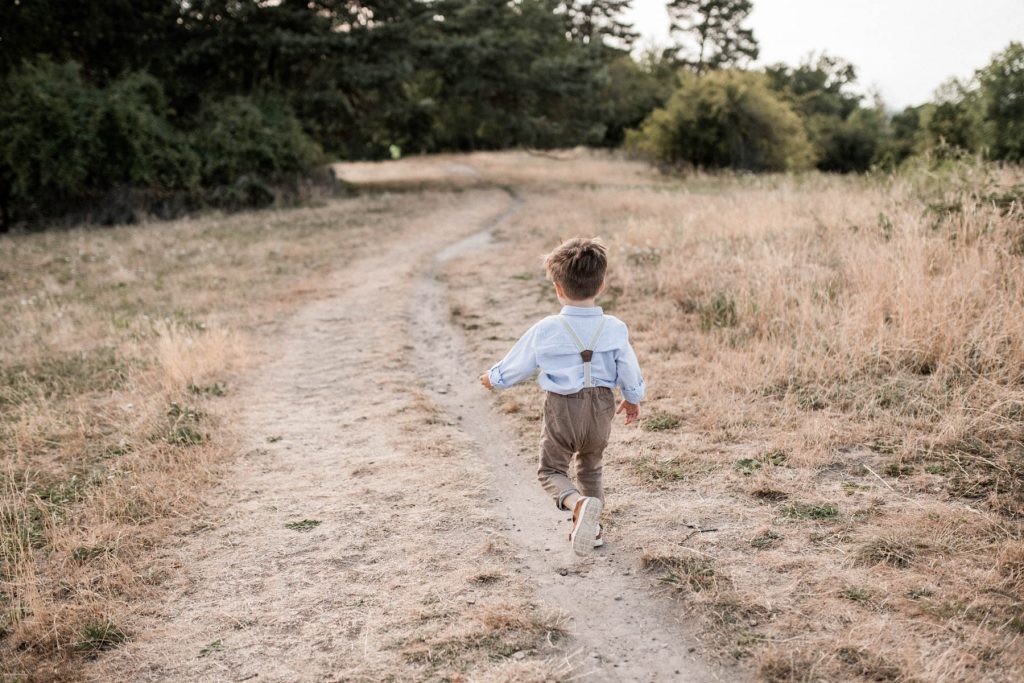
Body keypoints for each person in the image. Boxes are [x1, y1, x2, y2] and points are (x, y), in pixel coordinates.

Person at [479, 237, 645, 555]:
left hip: (562, 408)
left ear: (558, 288)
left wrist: (493, 379)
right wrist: (633, 397)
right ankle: (592, 529)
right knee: (591, 465)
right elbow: (628, 365)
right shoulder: (614, 328)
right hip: (601, 407)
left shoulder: (547, 328)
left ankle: (578, 504)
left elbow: (520, 362)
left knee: (551, 470)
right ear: (602, 286)